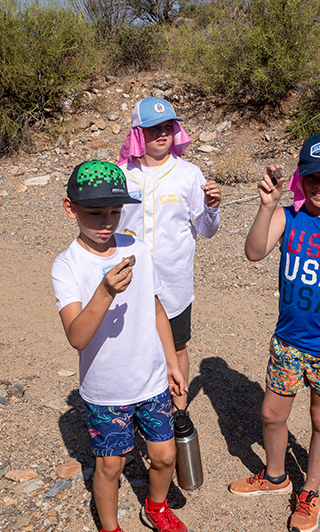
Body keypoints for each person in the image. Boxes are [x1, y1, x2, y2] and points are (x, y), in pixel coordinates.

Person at [229, 134, 320, 532]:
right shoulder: (288, 216)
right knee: (271, 414)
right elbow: (254, 252)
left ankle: (310, 490)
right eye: (313, 178)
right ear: (301, 179)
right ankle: (277, 477)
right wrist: (266, 206)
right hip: (289, 342)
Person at [51, 160, 189, 532]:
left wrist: (171, 362)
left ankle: (157, 506)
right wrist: (105, 290)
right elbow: (77, 335)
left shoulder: (136, 248)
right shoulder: (68, 265)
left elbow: (155, 307)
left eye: (115, 212)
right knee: (110, 465)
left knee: (164, 456)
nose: (107, 222)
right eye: (96, 213)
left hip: (150, 380)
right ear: (69, 209)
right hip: (106, 389)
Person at [117, 97, 222, 409]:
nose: (162, 133)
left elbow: (206, 230)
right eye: (153, 128)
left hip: (173, 286)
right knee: (131, 349)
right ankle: (135, 413)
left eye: (167, 127)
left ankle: (178, 414)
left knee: (176, 350)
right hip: (129, 282)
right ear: (137, 133)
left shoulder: (189, 174)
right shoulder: (120, 174)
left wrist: (212, 209)